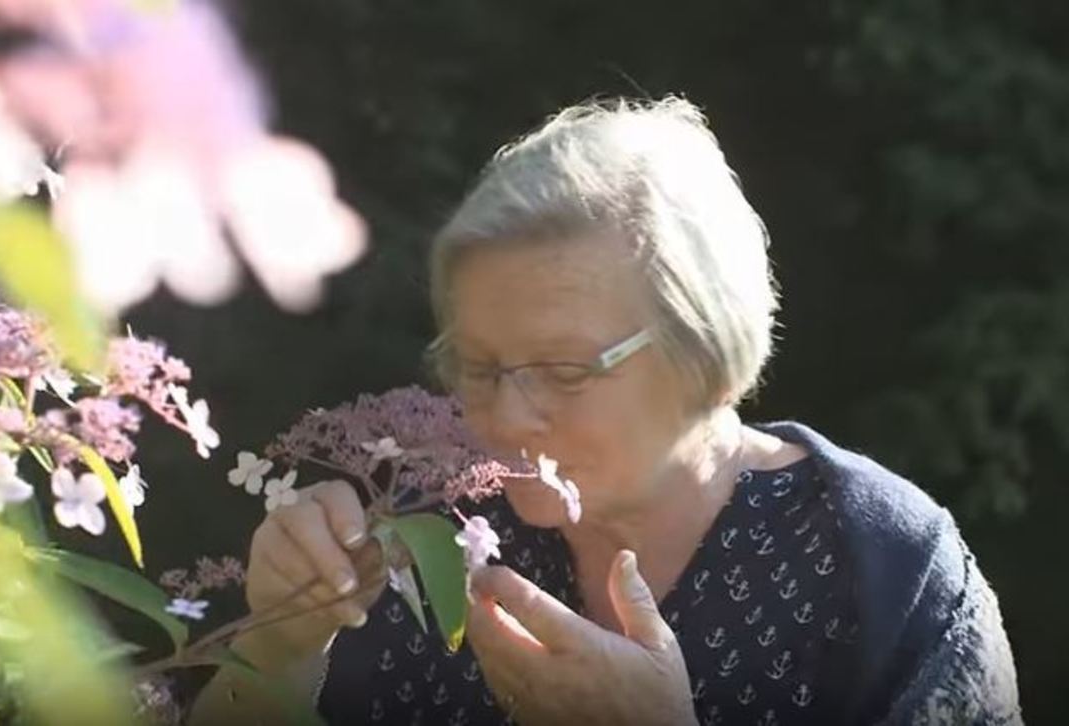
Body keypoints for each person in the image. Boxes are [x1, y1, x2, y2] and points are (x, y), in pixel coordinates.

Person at [190, 97, 1022, 725]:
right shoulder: (414, 532)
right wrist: (279, 648)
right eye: (477, 366)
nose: (506, 418)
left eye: (562, 370)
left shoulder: (883, 568)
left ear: (705, 346)